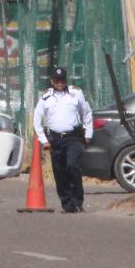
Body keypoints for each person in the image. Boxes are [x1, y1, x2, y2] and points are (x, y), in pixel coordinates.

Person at [33, 65, 93, 213]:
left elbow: (86, 113)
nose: (60, 83)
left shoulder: (76, 94)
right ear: (52, 81)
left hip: (73, 137)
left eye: (62, 80)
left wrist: (88, 134)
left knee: (72, 165)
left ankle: (78, 201)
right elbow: (37, 119)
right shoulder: (45, 98)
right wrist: (44, 140)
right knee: (59, 172)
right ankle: (67, 204)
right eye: (57, 80)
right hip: (55, 139)